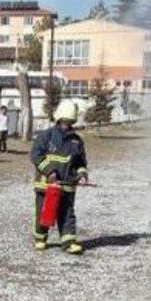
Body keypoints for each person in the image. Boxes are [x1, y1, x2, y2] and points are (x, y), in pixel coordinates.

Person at [31, 100, 88, 253]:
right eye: (64, 121)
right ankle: (40, 238)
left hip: (68, 186)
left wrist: (82, 175)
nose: (66, 124)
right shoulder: (46, 136)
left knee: (67, 214)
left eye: (69, 122)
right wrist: (50, 172)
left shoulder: (76, 141)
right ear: (58, 119)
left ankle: (68, 243)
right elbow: (36, 156)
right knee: (44, 212)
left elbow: (81, 163)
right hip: (46, 185)